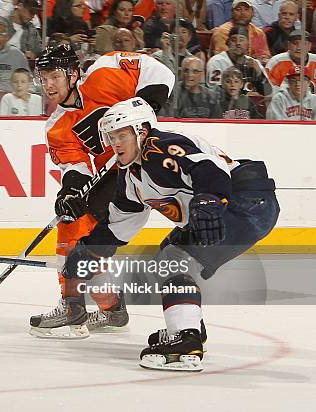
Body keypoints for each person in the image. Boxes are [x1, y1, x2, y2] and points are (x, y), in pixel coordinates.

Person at [58, 96, 279, 371]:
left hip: (243, 202)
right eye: (111, 136)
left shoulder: (158, 148)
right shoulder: (132, 179)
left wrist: (209, 200)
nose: (115, 143)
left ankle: (185, 339)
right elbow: (117, 225)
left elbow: (208, 169)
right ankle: (190, 329)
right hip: (243, 205)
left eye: (121, 135)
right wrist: (85, 252)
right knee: (170, 256)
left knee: (173, 259)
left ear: (142, 131)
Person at [29, 44, 175, 339]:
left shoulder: (104, 74)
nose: (49, 85)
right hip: (112, 182)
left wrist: (148, 103)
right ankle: (106, 308)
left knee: (84, 240)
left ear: (73, 73)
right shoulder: (57, 125)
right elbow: (76, 166)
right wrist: (68, 193)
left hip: (146, 165)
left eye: (54, 76)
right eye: (43, 79)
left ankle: (83, 306)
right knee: (77, 231)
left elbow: (160, 71)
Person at [206, 24, 270, 94]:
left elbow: (268, 92)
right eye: (234, 40)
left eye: (241, 40)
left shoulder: (254, 63)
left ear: (248, 44)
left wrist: (259, 74)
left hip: (250, 104)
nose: (238, 43)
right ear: (227, 43)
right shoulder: (217, 62)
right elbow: (214, 92)